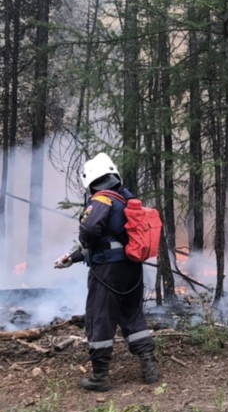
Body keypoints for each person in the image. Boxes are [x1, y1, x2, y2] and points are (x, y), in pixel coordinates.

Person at [54, 153, 160, 391]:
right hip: (131, 268)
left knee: (99, 316)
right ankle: (149, 368)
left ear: (90, 180)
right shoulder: (124, 201)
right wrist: (71, 259)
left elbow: (91, 231)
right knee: (132, 315)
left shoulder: (101, 199)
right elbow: (110, 241)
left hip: (108, 271)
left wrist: (82, 235)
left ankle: (100, 377)